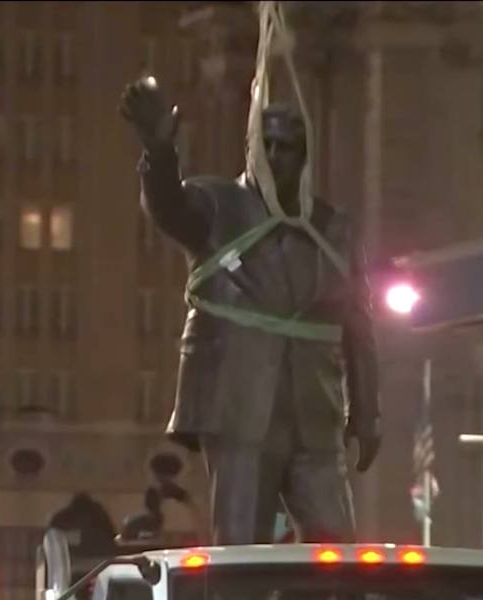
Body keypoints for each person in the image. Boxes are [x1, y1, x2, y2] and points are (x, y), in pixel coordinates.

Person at [119, 75, 381, 544]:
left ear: (305, 156)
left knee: (337, 547)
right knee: (240, 544)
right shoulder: (218, 205)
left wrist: (367, 412)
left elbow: (358, 325)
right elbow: (167, 206)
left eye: (290, 147)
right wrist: (159, 153)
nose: (278, 157)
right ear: (252, 149)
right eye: (270, 145)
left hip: (315, 412)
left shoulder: (331, 227)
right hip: (239, 408)